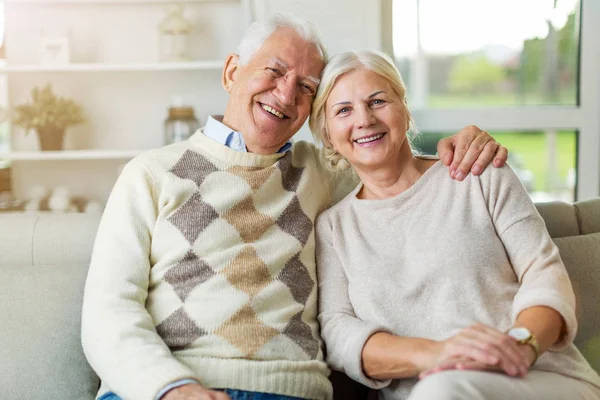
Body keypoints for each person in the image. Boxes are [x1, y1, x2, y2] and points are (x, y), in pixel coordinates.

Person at [81, 14, 508, 400]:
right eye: (274, 71)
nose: (286, 95)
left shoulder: (320, 171)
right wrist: (172, 388)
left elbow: (396, 168)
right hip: (164, 387)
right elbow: (108, 310)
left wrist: (461, 146)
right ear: (232, 72)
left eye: (306, 87)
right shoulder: (152, 174)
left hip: (286, 389)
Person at [312, 49, 600, 400]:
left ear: (404, 107)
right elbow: (339, 333)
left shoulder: (477, 172)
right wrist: (438, 354)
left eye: (377, 101)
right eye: (344, 110)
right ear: (328, 135)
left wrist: (520, 346)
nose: (364, 119)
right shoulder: (333, 228)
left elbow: (544, 272)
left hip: (538, 378)